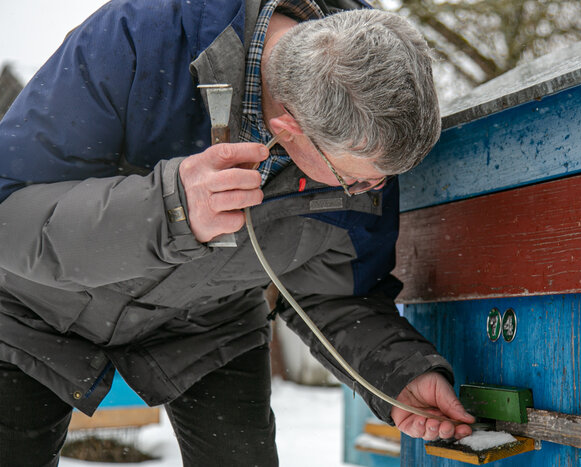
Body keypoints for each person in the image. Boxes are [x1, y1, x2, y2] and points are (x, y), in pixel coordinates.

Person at [0, 0, 475, 465]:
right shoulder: (137, 37)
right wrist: (168, 209)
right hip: (32, 313)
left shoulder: (365, 133)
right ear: (287, 132)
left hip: (208, 324)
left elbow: (335, 294)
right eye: (355, 179)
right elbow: (7, 210)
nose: (371, 191)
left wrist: (395, 372)